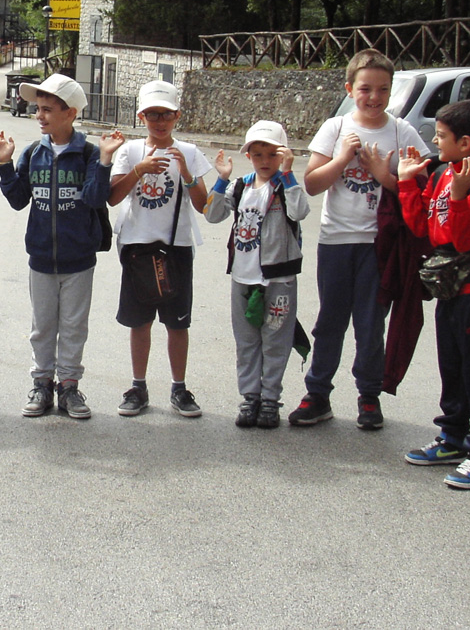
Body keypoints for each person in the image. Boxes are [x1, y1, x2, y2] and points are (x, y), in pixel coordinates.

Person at [294, 49, 429, 428]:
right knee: (330, 321)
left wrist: (383, 175)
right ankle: (318, 393)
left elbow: (422, 190)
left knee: (371, 324)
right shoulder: (335, 127)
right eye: (366, 89)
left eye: (383, 89)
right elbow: (312, 183)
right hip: (336, 241)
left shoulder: (402, 132)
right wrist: (342, 159)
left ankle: (369, 395)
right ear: (350, 89)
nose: (374, 97)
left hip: (379, 245)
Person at [0, 74, 122, 419]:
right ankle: (42, 384)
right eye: (38, 108)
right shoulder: (33, 153)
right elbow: (18, 200)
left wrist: (105, 161)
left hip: (79, 259)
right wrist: (4, 164)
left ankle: (69, 386)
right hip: (41, 257)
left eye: (48, 109)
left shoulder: (89, 153)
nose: (39, 115)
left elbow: (95, 198)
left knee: (75, 326)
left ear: (70, 113)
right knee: (43, 327)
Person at [398, 99, 470, 489]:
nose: (434, 141)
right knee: (452, 365)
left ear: (465, 143)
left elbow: (464, 241)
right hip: (450, 291)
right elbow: (423, 227)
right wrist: (407, 182)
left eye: (441, 136)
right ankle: (453, 437)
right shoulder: (444, 173)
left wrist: (459, 198)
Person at [109, 80, 212, 418]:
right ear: (142, 116)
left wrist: (186, 173)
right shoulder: (131, 151)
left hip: (176, 246)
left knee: (177, 323)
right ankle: (138, 386)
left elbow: (203, 205)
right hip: (138, 245)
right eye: (152, 114)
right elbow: (113, 196)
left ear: (177, 115)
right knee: (139, 322)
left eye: (166, 114)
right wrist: (138, 171)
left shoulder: (189, 152)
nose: (160, 121)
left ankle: (178, 387)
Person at [205, 121, 310, 429]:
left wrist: (289, 175)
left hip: (279, 278)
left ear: (283, 155)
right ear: (248, 155)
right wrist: (222, 179)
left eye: (272, 154)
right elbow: (212, 215)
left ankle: (270, 399)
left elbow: (300, 212)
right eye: (258, 154)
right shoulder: (241, 187)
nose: (265, 161)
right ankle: (250, 397)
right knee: (247, 341)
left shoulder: (285, 186)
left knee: (276, 340)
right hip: (243, 277)